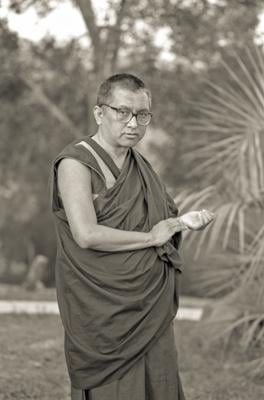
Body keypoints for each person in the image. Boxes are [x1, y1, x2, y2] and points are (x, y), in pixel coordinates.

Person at [49, 73, 214, 400]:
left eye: (142, 114)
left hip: (149, 305)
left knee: (159, 382)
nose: (133, 123)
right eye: (122, 112)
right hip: (102, 306)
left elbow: (158, 225)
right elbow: (86, 235)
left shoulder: (140, 165)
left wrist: (180, 222)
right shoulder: (76, 163)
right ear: (99, 113)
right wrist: (152, 238)